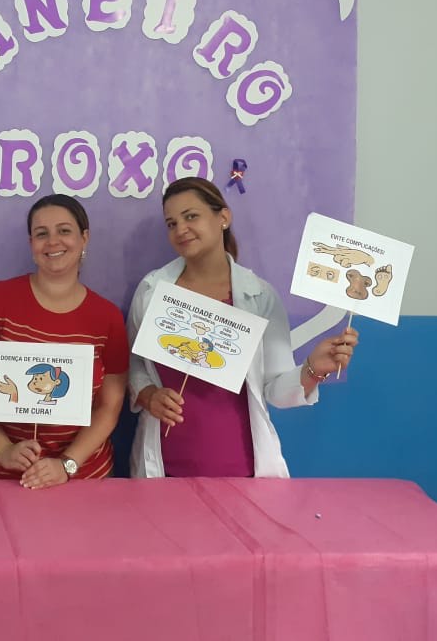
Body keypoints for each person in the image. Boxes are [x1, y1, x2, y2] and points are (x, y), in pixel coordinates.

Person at [128, 177, 359, 478]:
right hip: (164, 466)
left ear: (223, 217)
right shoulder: (151, 290)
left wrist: (313, 369)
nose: (181, 229)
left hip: (240, 467)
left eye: (191, 216)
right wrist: (148, 395)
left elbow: (275, 389)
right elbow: (134, 365)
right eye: (171, 223)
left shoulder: (260, 295)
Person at [0, 194, 128, 489]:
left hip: (82, 478)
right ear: (31, 243)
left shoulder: (107, 317)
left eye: (64, 230)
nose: (52, 241)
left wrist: (67, 464)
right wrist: (2, 449)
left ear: (84, 238)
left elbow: (108, 407)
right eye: (41, 233)